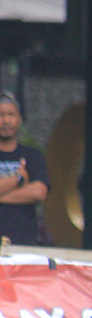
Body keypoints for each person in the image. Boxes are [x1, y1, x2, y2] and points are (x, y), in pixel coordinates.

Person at [0, 91, 49, 245]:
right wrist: (18, 180)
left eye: (11, 114)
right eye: (1, 115)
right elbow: (27, 187)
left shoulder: (32, 155)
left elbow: (39, 192)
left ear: (19, 119)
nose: (6, 120)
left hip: (24, 245)